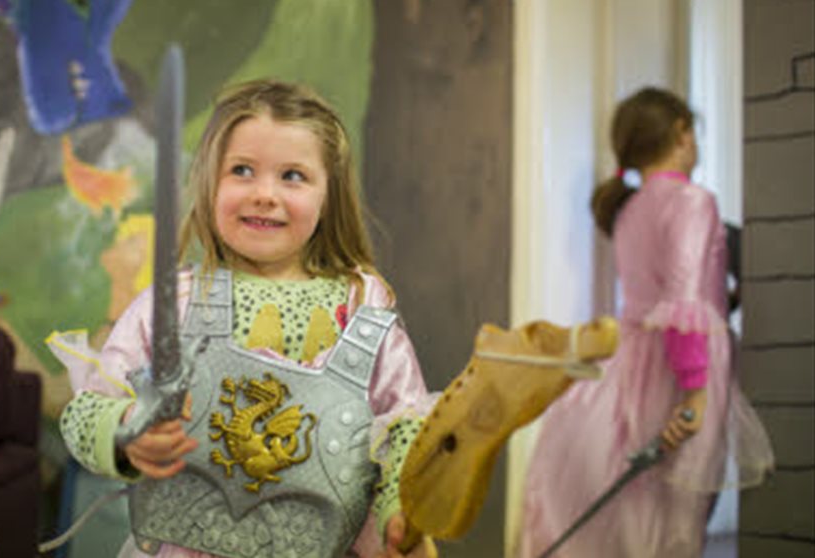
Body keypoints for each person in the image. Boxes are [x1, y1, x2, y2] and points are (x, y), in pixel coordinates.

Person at [49, 80, 438, 558]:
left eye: (292, 176)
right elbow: (88, 409)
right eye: (242, 170)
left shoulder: (362, 302)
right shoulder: (175, 303)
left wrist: (402, 506)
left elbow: (406, 422)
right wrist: (128, 431)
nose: (264, 194)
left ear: (328, 194)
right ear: (211, 182)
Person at [517, 87, 773, 558]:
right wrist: (695, 390)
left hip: (631, 367)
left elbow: (673, 290)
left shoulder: (629, 209)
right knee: (679, 515)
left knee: (640, 509)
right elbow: (683, 299)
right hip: (682, 371)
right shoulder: (692, 200)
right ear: (681, 132)